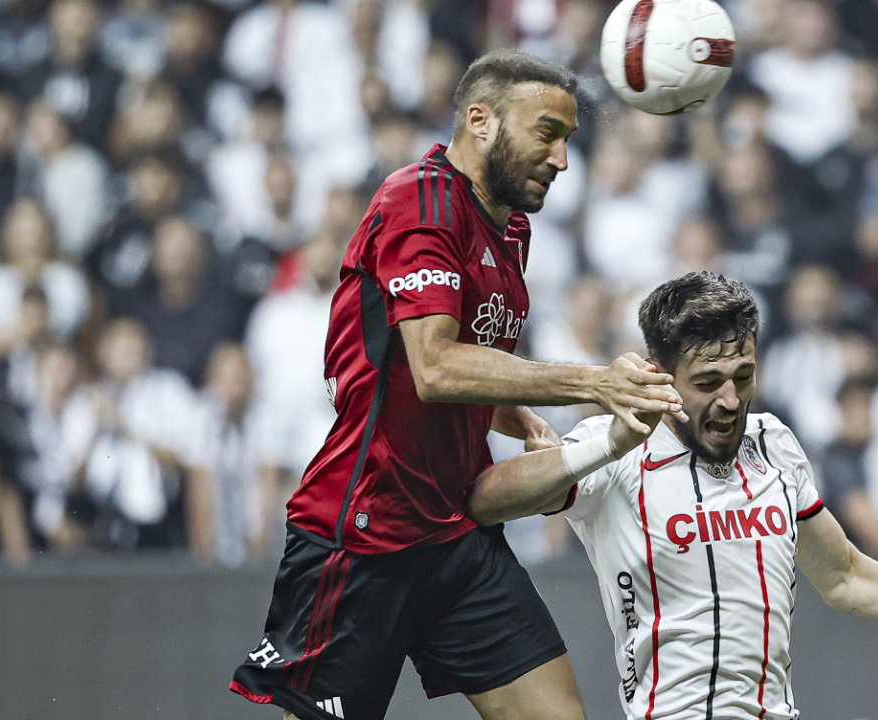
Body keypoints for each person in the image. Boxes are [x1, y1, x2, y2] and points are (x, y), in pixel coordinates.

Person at [230, 49, 687, 720]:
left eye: (568, 139)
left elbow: (470, 360)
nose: (562, 158)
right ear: (481, 120)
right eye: (546, 133)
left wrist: (519, 415)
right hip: (364, 531)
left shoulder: (512, 227)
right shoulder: (418, 200)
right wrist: (594, 382)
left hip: (454, 530)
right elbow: (437, 367)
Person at [467, 271, 878, 720]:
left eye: (742, 377)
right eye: (707, 383)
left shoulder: (776, 444)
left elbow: (842, 575)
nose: (729, 400)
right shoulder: (615, 453)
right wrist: (610, 441)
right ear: (657, 375)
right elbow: (489, 498)